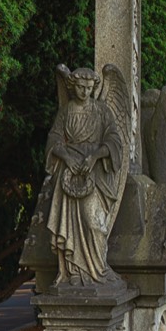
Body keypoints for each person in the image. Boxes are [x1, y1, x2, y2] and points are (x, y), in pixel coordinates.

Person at [46, 67, 125, 287]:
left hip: (94, 174)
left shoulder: (101, 110)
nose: (84, 92)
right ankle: (74, 273)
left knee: (94, 223)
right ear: (73, 87)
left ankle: (98, 270)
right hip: (70, 173)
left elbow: (114, 139)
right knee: (69, 225)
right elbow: (53, 139)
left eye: (89, 89)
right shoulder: (67, 110)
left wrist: (95, 157)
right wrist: (67, 158)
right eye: (80, 88)